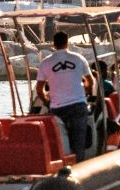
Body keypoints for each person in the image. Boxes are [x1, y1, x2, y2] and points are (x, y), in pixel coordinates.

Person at [35, 31, 93, 162]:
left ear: (54, 45)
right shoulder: (78, 59)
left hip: (57, 108)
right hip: (78, 105)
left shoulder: (45, 63)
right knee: (79, 142)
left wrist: (47, 102)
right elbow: (90, 81)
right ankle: (79, 169)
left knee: (60, 143)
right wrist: (85, 94)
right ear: (67, 43)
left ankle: (61, 167)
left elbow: (39, 89)